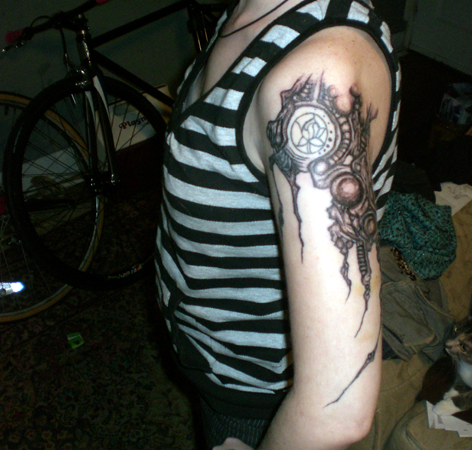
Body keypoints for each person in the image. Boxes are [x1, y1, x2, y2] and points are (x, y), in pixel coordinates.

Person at [155, 0, 401, 448]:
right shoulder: (251, 10)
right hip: (216, 359)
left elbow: (338, 406)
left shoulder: (319, 72)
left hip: (259, 403)